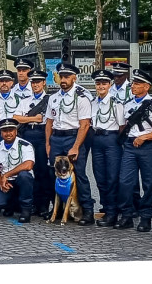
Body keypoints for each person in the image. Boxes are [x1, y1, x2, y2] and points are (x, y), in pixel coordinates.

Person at [114, 69, 152, 232]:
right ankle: (127, 214)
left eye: (137, 84)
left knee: (149, 182)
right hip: (130, 146)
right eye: (133, 83)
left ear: (146, 87)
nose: (133, 86)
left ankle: (146, 216)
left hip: (148, 146)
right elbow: (123, 125)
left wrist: (144, 137)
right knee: (125, 181)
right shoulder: (128, 104)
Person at [45, 63, 95, 225]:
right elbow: (49, 122)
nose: (63, 80)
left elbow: (85, 124)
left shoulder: (81, 97)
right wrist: (48, 143)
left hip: (74, 137)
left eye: (67, 77)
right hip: (57, 138)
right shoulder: (53, 97)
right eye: (62, 77)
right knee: (56, 174)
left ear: (75, 78)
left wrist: (76, 146)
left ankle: (87, 210)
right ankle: (57, 210)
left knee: (79, 174)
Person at [87, 69, 125, 227]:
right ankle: (106, 206)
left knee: (112, 177)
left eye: (104, 83)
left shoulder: (116, 103)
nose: (101, 86)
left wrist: (116, 141)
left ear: (109, 85)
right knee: (100, 176)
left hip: (111, 139)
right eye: (98, 83)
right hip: (96, 139)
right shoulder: (93, 102)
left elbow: (122, 126)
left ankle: (112, 212)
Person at [16, 70, 52, 218]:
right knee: (30, 171)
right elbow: (17, 118)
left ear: (44, 83)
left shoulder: (50, 100)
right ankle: (30, 204)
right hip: (28, 134)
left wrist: (28, 118)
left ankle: (43, 205)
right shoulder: (25, 101)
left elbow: (50, 120)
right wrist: (34, 119)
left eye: (38, 82)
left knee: (43, 171)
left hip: (43, 135)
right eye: (33, 82)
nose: (35, 85)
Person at [0, 118, 36, 221]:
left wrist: (6, 175)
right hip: (6, 182)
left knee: (24, 175)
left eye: (11, 130)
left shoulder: (25, 146)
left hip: (21, 181)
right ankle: (10, 204)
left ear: (16, 131)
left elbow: (28, 165)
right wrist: (1, 182)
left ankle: (26, 209)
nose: (8, 133)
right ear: (1, 133)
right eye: (5, 131)